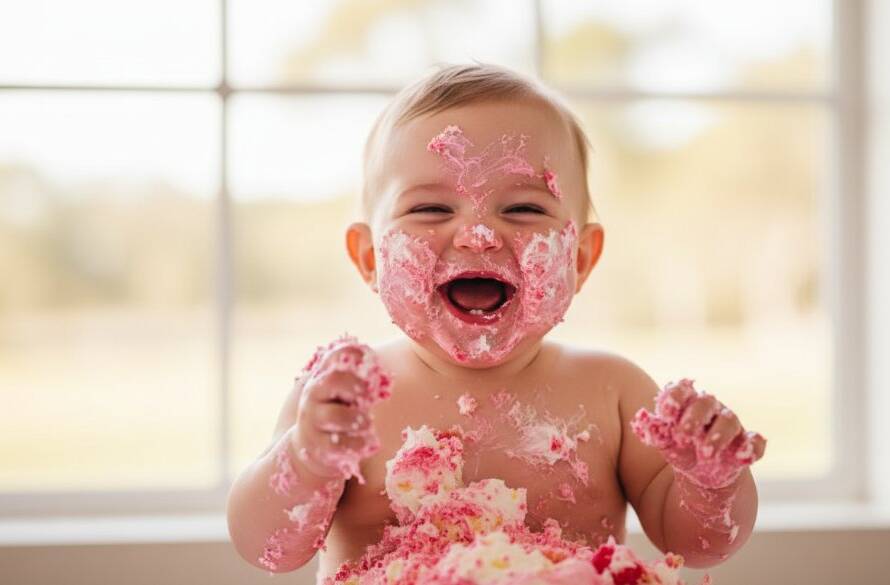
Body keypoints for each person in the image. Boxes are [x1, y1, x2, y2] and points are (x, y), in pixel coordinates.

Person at [226, 62, 766, 582]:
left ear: (579, 259)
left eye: (524, 210)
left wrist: (711, 482)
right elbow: (267, 548)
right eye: (431, 210)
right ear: (369, 257)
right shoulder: (341, 400)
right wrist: (307, 459)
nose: (478, 235)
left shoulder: (613, 390)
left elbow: (697, 545)